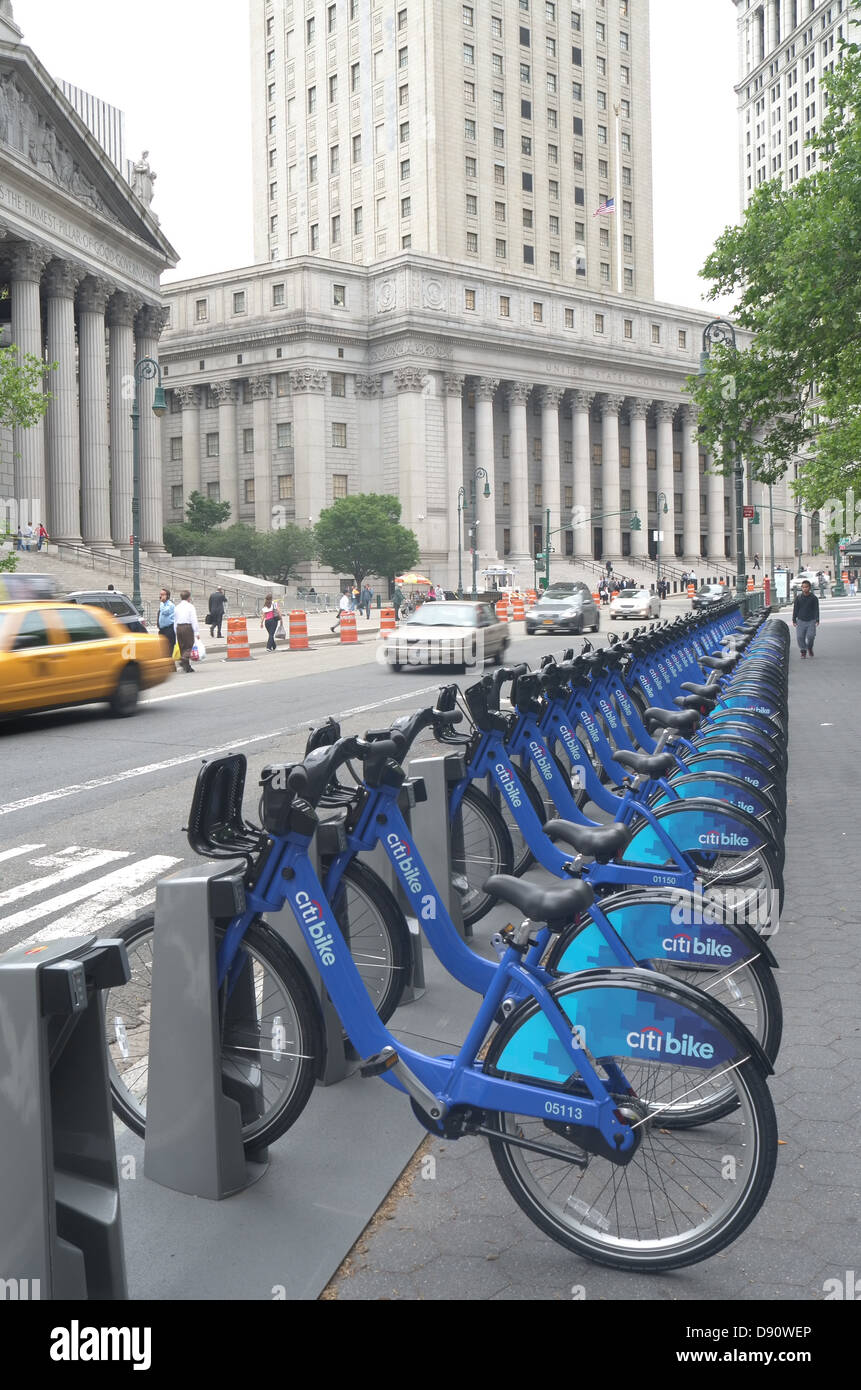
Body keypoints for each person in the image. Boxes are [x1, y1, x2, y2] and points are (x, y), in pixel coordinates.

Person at [174, 590, 200, 673]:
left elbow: (175, 620)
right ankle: (183, 659)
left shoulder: (177, 607)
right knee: (189, 646)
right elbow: (194, 620)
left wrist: (175, 630)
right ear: (189, 597)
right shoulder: (190, 607)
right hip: (187, 627)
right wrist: (196, 632)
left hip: (179, 627)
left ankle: (187, 666)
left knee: (182, 647)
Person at [792, 579, 819, 659]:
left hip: (811, 620)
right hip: (800, 620)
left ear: (809, 588)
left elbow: (816, 609)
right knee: (800, 637)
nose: (805, 589)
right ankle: (803, 651)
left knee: (811, 636)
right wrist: (794, 619)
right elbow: (795, 609)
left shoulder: (814, 598)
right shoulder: (798, 598)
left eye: (806, 587)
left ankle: (810, 647)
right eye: (803, 587)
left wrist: (817, 619)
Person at [157, 588, 176, 655]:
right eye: (160, 594)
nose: (160, 596)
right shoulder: (163, 605)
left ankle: (170, 661)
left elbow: (165, 612)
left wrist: (161, 603)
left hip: (169, 629)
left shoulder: (170, 605)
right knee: (162, 647)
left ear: (167, 596)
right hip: (162, 629)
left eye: (162, 595)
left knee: (169, 647)